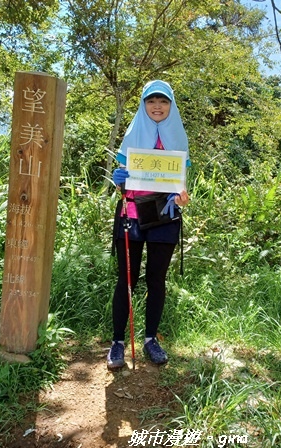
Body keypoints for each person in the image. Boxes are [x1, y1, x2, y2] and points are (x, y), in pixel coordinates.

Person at [107, 80, 190, 370]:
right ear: (143, 105)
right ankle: (117, 342)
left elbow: (182, 190)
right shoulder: (132, 137)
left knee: (157, 280)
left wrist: (183, 198)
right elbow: (122, 183)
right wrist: (119, 181)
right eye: (151, 101)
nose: (157, 106)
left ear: (171, 105)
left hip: (165, 216)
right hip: (131, 213)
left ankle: (150, 339)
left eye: (163, 101)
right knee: (126, 280)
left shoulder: (179, 139)